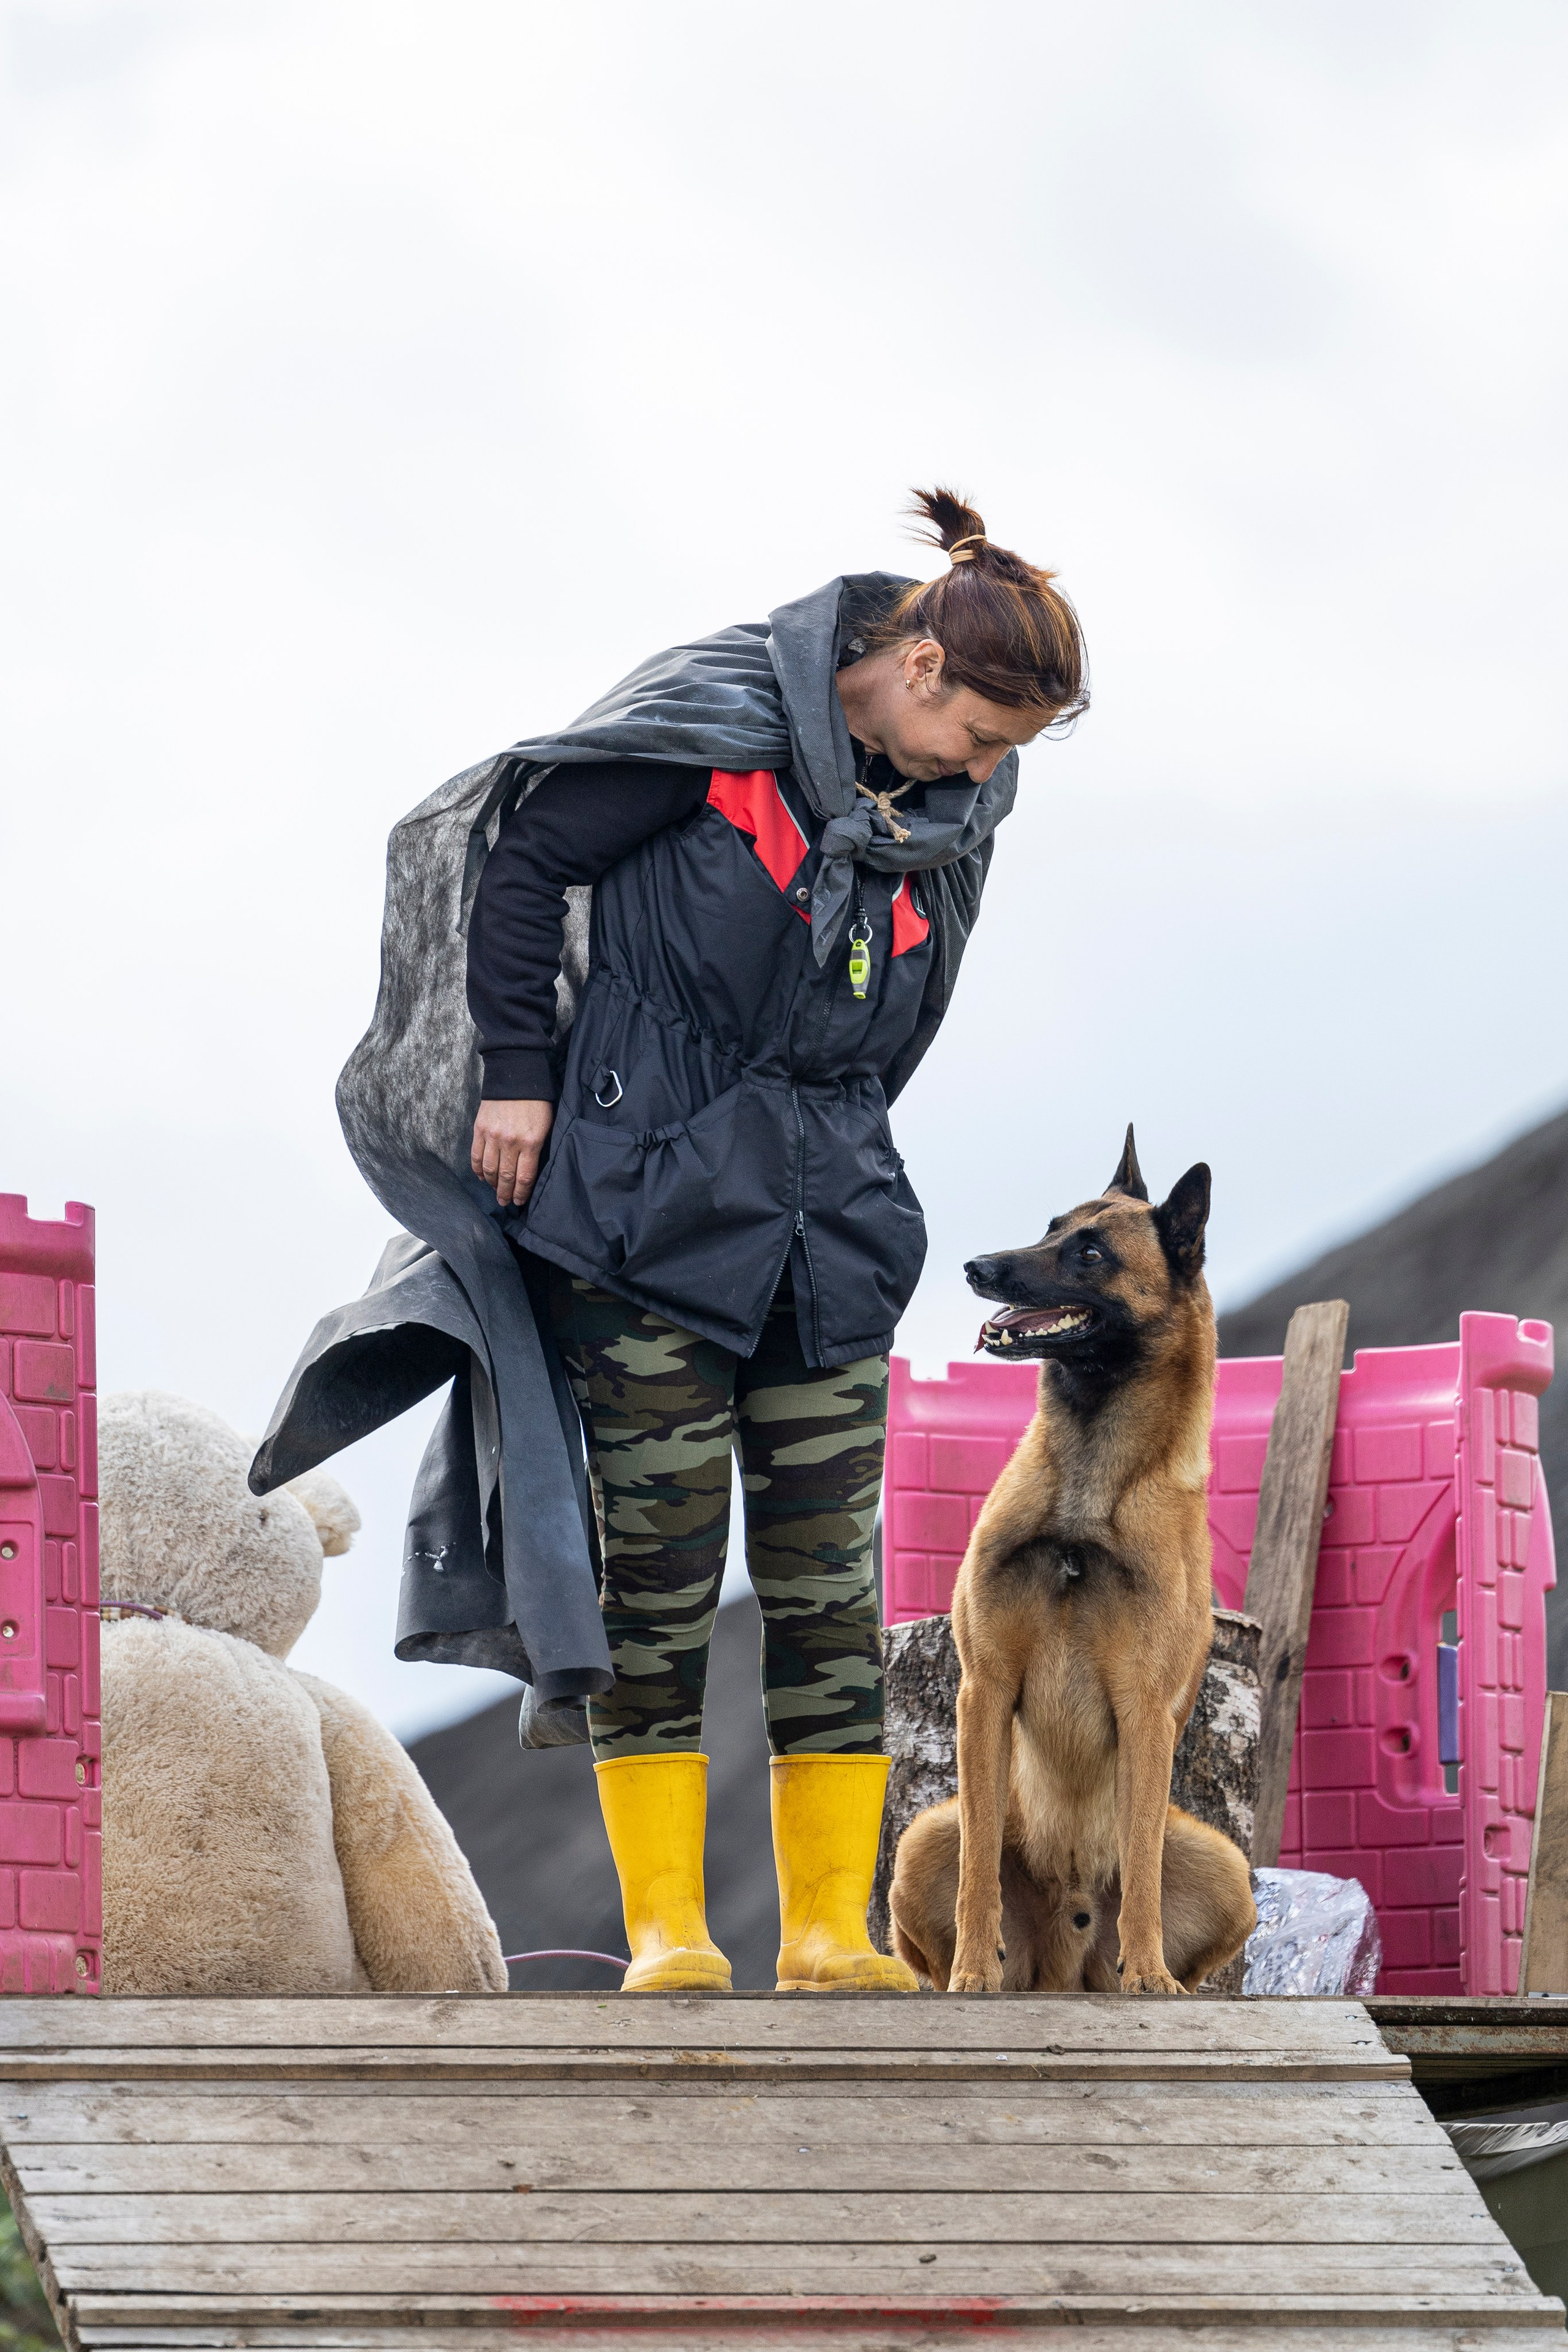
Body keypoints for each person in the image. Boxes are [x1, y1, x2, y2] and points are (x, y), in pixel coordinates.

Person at [462, 489, 1087, 1992]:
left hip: (830, 1239)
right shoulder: (721, 725)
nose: (986, 776)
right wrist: (519, 1076)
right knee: (657, 1586)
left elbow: (897, 1024)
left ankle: (824, 1931)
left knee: (827, 1591)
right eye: (983, 739)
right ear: (921, 669)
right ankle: (667, 1933)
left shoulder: (942, 819)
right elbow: (521, 861)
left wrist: (834, 1154)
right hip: (643, 1226)